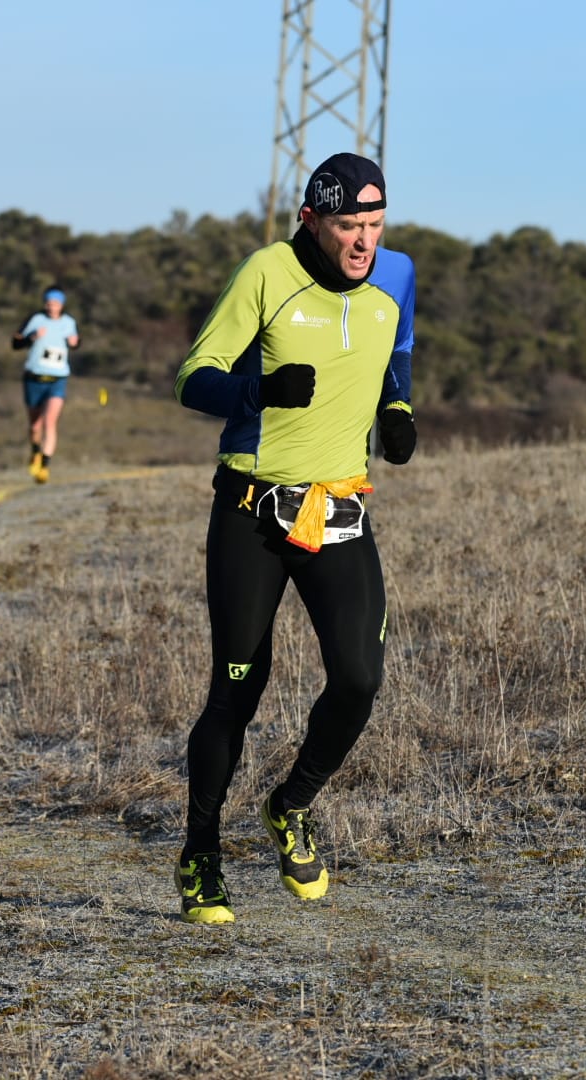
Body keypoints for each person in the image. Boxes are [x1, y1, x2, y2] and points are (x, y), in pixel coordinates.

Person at [170, 152, 417, 924]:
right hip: (252, 507)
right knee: (238, 690)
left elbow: (392, 351)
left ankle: (292, 804)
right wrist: (257, 389)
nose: (363, 241)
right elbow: (192, 377)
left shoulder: (398, 275)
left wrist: (399, 408)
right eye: (348, 225)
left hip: (338, 509)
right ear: (312, 221)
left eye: (374, 225)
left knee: (360, 678)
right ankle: (201, 854)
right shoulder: (267, 273)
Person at [12, 285, 79, 484]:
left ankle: (45, 467)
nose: (51, 307)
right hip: (34, 378)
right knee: (35, 426)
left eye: (55, 304)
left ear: (61, 305)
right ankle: (35, 451)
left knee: (50, 421)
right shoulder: (35, 320)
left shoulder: (69, 323)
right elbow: (15, 343)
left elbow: (75, 341)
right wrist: (31, 338)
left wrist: (76, 342)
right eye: (48, 303)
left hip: (57, 379)